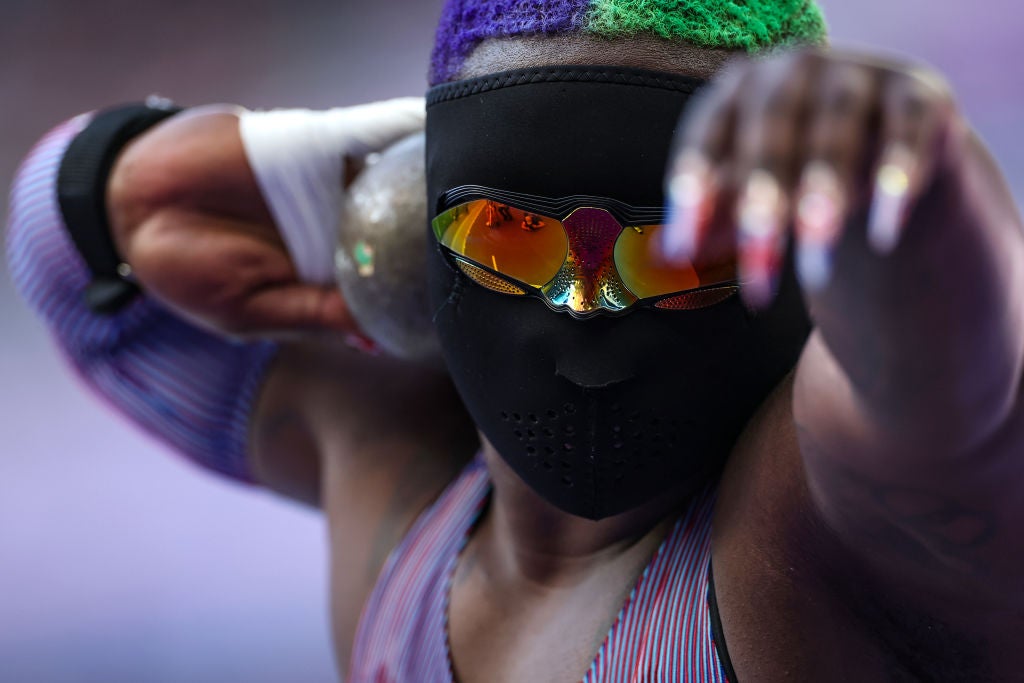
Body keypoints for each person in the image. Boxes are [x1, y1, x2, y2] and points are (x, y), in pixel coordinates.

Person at [7, 1, 1024, 681]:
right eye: (510, 236)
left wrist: (926, 167)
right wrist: (150, 178)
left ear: (797, 250)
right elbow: (77, 260)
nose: (584, 308)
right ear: (408, 235)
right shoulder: (391, 467)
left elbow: (959, 383)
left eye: (674, 251)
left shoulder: (812, 530)